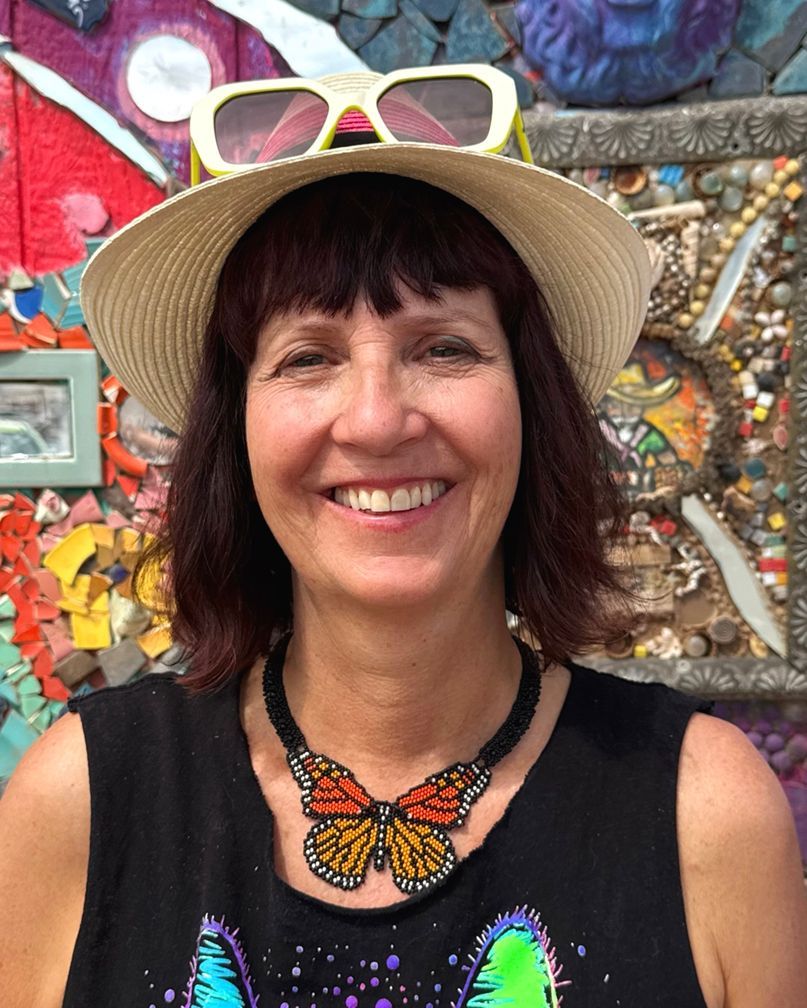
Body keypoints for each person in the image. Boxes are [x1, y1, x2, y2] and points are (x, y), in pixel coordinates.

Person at [1, 66, 805, 1008]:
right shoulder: (85, 803)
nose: (377, 422)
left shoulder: (703, 814)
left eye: (444, 347)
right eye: (307, 357)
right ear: (237, 433)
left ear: (528, 406)